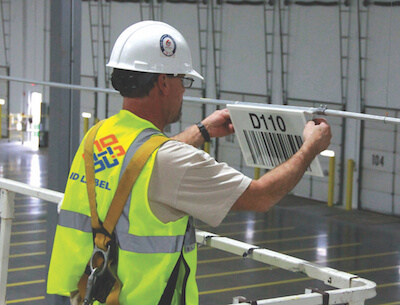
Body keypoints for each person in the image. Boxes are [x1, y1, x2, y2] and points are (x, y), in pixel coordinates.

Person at [47, 20, 331, 305]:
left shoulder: (97, 136)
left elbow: (144, 162)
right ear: (163, 83)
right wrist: (309, 147)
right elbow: (261, 196)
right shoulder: (174, 162)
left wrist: (202, 130)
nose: (184, 90)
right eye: (183, 80)